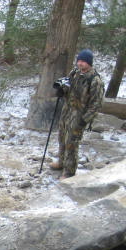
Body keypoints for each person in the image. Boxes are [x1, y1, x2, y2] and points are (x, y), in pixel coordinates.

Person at [51, 49, 104, 179]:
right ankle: (61, 162)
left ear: (89, 63)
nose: (80, 64)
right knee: (62, 137)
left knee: (72, 142)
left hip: (79, 114)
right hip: (67, 111)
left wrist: (84, 120)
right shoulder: (74, 73)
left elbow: (96, 104)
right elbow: (68, 86)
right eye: (79, 61)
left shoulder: (95, 80)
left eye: (83, 62)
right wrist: (61, 91)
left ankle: (69, 172)